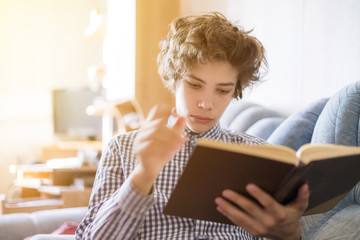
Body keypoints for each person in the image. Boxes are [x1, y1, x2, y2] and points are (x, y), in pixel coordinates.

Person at [75, 12, 309, 240]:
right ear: (175, 79)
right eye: (195, 85)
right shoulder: (123, 148)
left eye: (223, 90)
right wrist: (142, 176)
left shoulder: (258, 154)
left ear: (235, 90)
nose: (207, 103)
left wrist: (290, 235)